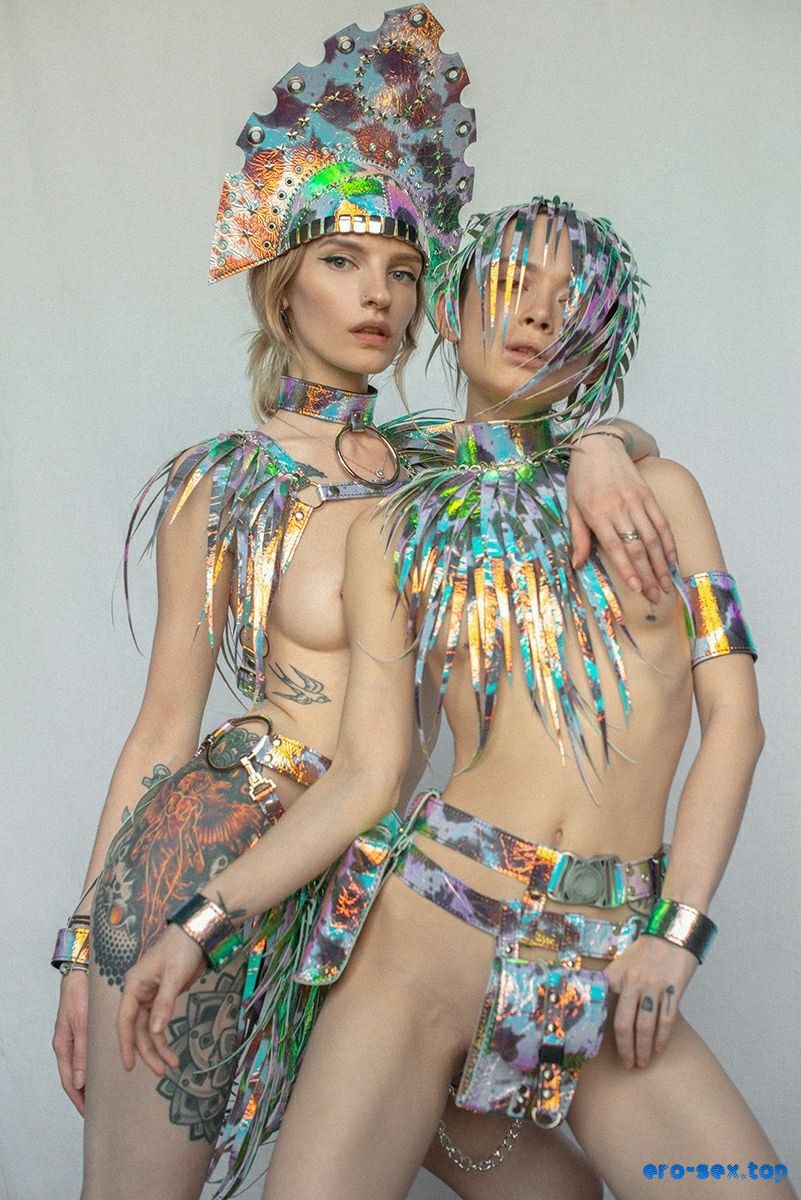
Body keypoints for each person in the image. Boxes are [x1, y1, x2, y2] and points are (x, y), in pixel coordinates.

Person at [50, 11, 675, 1200]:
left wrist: (606, 442)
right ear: (283, 285)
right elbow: (161, 731)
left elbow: (577, 439)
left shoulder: (449, 467)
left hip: (382, 892)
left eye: (401, 270)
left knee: (552, 1188)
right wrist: (87, 949)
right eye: (342, 262)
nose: (377, 295)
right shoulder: (226, 485)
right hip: (219, 856)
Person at [118, 195, 795, 1200]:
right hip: (427, 933)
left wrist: (676, 932)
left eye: (574, 298)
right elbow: (368, 775)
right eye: (515, 283)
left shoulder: (662, 499)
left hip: (605, 953)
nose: (540, 314)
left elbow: (736, 724)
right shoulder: (396, 529)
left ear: (603, 333)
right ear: (451, 307)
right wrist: (198, 923)